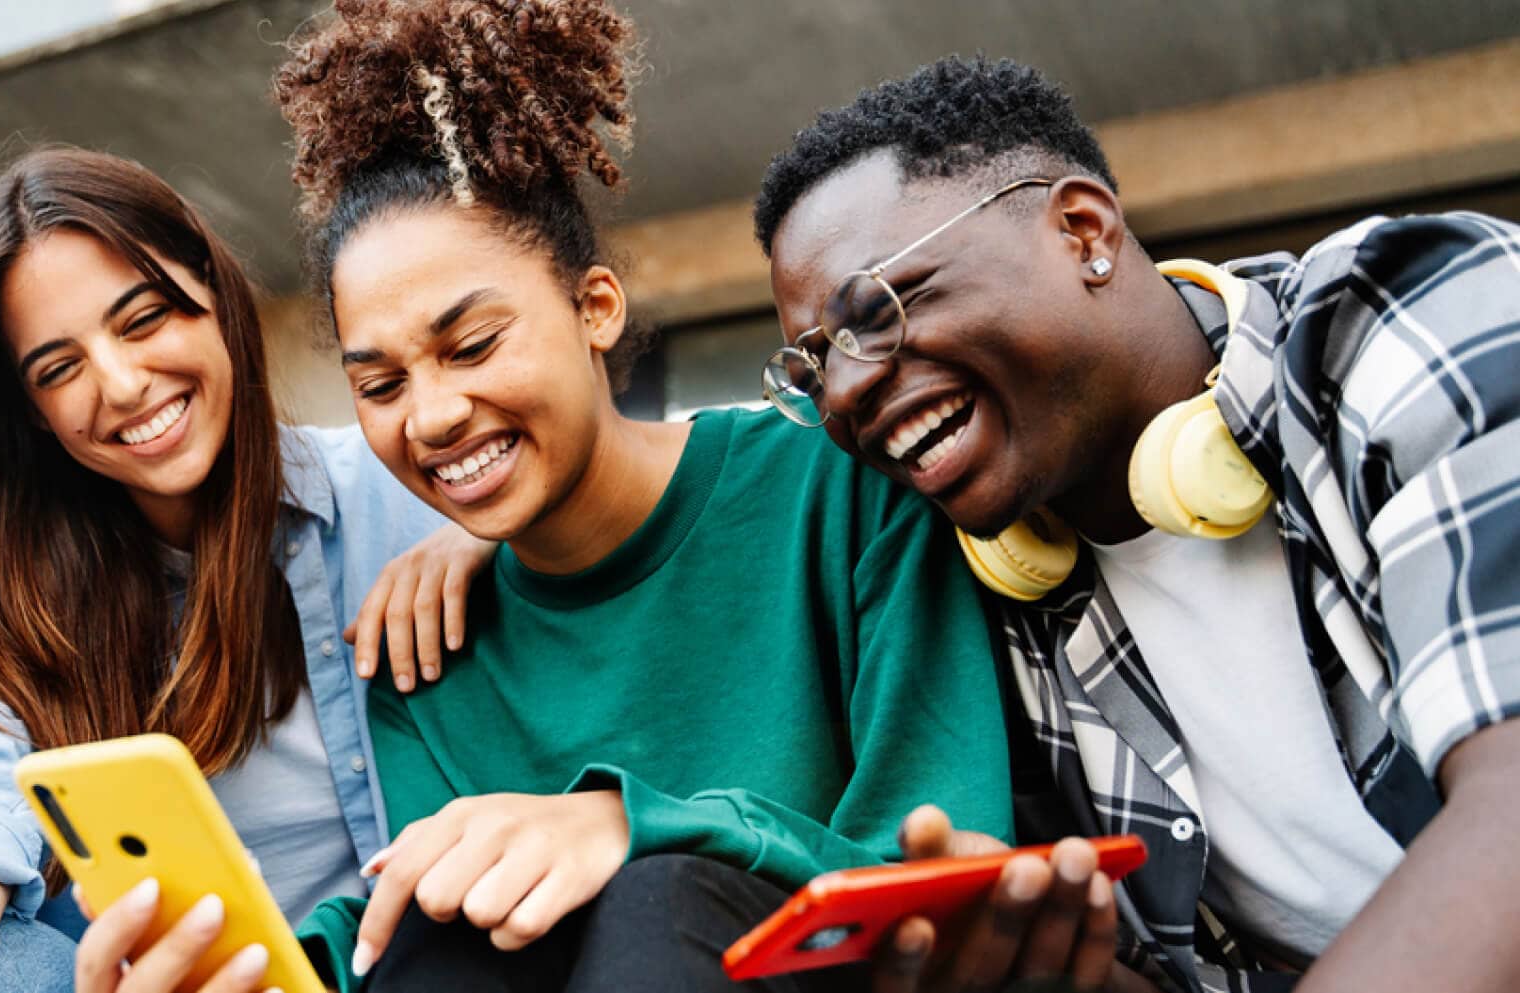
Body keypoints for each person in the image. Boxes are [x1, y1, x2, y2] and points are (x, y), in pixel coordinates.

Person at [247, 2, 1016, 990]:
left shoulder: (838, 487)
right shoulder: (420, 649)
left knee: (656, 896)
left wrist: (630, 825)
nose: (430, 415)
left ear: (594, 308)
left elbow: (944, 875)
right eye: (381, 384)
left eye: (472, 345)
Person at [755, 55, 1520, 993]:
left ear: (1082, 232)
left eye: (874, 311)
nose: (844, 391)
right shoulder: (1003, 596)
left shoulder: (1402, 314)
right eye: (810, 366)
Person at [0, 147, 492, 993]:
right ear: (34, 415)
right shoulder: (14, 580)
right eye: (59, 368)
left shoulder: (403, 488)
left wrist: (501, 526)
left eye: (144, 319)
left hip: (431, 969)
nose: (122, 384)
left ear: (214, 294)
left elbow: (650, 469)